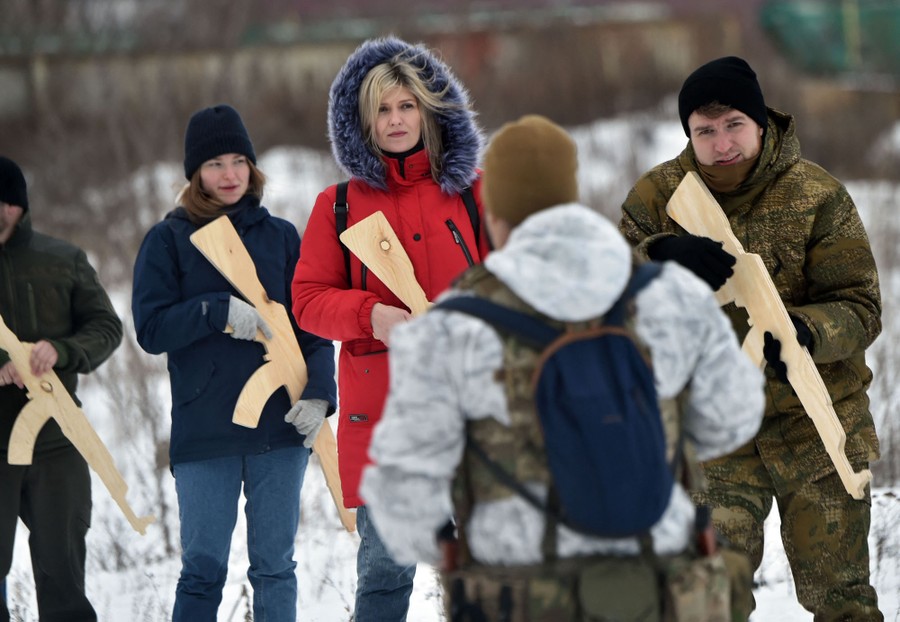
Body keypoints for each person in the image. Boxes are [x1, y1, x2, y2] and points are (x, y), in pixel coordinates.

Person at [358, 114, 765, 620]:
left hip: (518, 596)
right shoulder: (671, 295)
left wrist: (456, 545)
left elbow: (402, 496)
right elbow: (733, 417)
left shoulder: (449, 328)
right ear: (570, 197)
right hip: (658, 589)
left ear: (494, 215)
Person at [618, 56, 884, 620]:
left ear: (761, 122)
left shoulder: (817, 195)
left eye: (734, 123)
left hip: (815, 422)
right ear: (688, 133)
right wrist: (658, 257)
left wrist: (806, 334)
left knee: (843, 601)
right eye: (704, 130)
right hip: (711, 434)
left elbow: (861, 307)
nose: (722, 142)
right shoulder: (658, 195)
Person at [291, 36, 490, 621]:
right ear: (362, 120)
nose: (397, 120)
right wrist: (370, 316)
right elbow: (306, 299)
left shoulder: (474, 192)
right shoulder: (339, 206)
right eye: (383, 109)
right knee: (383, 575)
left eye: (407, 106)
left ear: (429, 111)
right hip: (383, 420)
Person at [131, 104, 336, 622]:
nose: (229, 175)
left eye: (239, 161)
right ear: (195, 173)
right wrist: (213, 311)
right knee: (202, 570)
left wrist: (319, 393)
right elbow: (151, 330)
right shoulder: (168, 241)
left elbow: (310, 325)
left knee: (275, 569)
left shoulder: (282, 237)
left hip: (279, 431)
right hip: (205, 435)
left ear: (253, 167)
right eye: (216, 163)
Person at [0, 155, 123, 622]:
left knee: (63, 576)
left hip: (56, 441)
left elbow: (106, 327)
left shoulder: (62, 260)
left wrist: (62, 349)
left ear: (16, 205)